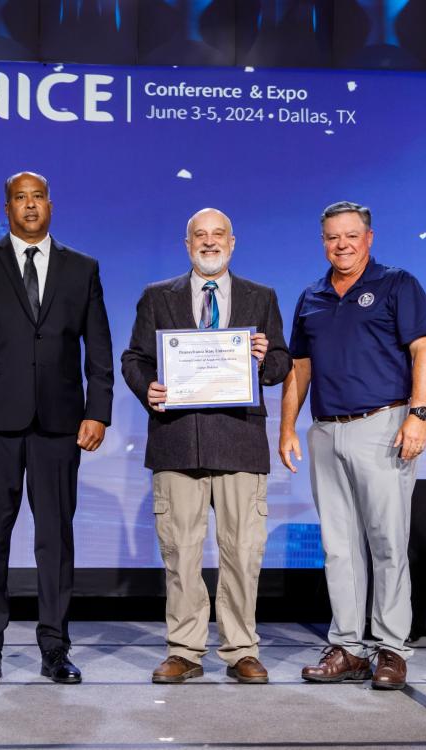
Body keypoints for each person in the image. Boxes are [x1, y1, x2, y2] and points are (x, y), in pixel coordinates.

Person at [0, 171, 113, 686]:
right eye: (20, 198)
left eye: (37, 198)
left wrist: (97, 410)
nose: (30, 206)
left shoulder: (82, 268)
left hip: (60, 424)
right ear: (7, 206)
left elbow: (97, 349)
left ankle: (55, 648)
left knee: (55, 538)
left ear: (50, 205)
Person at [122, 208, 291, 684]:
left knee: (242, 552)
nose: (210, 242)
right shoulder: (157, 297)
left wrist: (264, 359)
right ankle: (185, 650)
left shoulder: (262, 296)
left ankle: (241, 650)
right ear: (188, 243)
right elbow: (134, 358)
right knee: (181, 553)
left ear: (232, 243)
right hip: (177, 443)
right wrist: (148, 387)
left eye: (218, 235)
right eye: (201, 235)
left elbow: (280, 362)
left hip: (239, 441)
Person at [279, 201, 426, 690]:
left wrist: (419, 413)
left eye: (350, 235)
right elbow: (298, 368)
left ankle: (390, 648)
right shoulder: (311, 297)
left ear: (369, 238)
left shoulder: (397, 284)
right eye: (332, 237)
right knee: (339, 548)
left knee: (387, 541)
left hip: (383, 424)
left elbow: (423, 350)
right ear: (323, 241)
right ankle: (347, 646)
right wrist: (287, 428)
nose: (341, 244)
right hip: (326, 430)